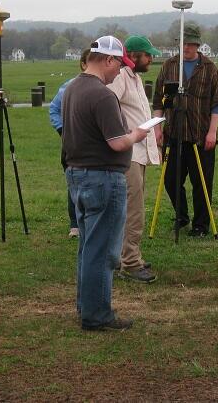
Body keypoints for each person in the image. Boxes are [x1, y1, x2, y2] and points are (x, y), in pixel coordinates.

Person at [62, 36, 149, 331]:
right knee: (103, 251)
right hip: (103, 179)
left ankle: (85, 306)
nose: (118, 73)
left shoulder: (72, 88)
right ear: (108, 60)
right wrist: (136, 135)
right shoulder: (102, 96)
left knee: (88, 247)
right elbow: (116, 143)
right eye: (118, 65)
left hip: (78, 175)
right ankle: (97, 315)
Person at [152, 22, 218, 237]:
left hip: (201, 135)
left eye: (191, 45)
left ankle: (200, 225)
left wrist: (212, 132)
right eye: (183, 44)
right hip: (173, 133)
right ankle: (181, 215)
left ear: (197, 45)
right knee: (170, 179)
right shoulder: (169, 66)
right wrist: (157, 127)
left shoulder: (210, 68)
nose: (186, 49)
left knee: (202, 183)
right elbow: (159, 99)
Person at [108, 36, 162, 283]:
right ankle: (130, 262)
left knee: (131, 206)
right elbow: (106, 105)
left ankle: (126, 255)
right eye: (147, 54)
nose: (151, 58)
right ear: (133, 54)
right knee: (133, 209)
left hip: (137, 152)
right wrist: (124, 134)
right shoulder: (120, 77)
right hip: (128, 152)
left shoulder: (135, 78)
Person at [49, 48, 90, 238]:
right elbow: (54, 109)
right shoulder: (68, 87)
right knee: (74, 183)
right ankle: (75, 224)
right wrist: (63, 131)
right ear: (83, 64)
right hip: (71, 144)